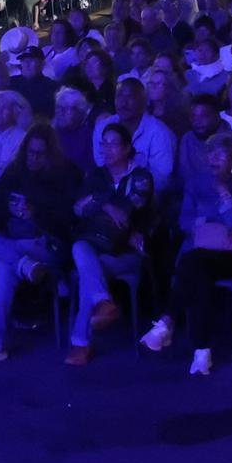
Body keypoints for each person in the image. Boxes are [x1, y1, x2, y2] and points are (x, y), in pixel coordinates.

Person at [0, 125, 77, 367]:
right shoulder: (16, 171)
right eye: (30, 153)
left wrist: (36, 212)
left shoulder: (65, 173)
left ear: (49, 153)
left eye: (39, 153)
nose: (33, 158)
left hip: (48, 243)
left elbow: (70, 220)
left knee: (5, 263)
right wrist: (9, 207)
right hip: (14, 241)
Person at [63, 120, 155, 365]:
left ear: (126, 148)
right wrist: (105, 205)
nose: (106, 149)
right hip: (95, 246)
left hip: (126, 251)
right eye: (103, 143)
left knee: (87, 270)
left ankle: (82, 341)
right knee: (83, 252)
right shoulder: (95, 174)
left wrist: (96, 202)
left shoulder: (141, 177)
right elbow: (77, 210)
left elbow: (127, 214)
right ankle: (102, 303)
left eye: (113, 144)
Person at [164, 132, 232, 376]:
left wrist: (223, 193)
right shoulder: (195, 184)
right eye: (211, 153)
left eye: (221, 154)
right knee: (198, 272)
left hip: (230, 255)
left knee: (191, 264)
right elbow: (184, 221)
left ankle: (168, 322)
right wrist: (211, 220)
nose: (214, 158)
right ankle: (201, 351)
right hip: (199, 252)